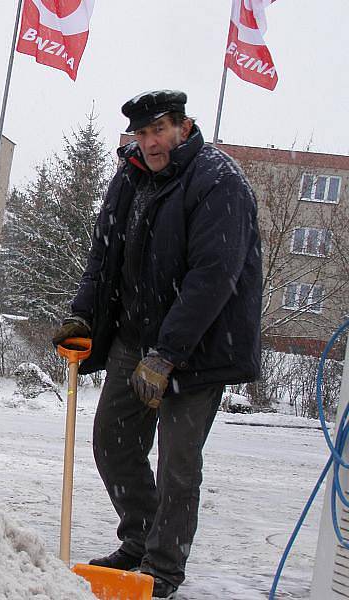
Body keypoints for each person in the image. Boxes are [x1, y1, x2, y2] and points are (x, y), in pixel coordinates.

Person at [52, 90, 261, 598]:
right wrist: (83, 314)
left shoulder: (218, 180)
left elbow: (214, 275)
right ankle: (140, 535)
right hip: (135, 336)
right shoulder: (129, 177)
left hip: (200, 347)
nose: (151, 142)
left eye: (160, 130)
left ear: (184, 128)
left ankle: (162, 567)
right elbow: (102, 257)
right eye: (142, 134)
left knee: (177, 461)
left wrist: (167, 354)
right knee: (113, 441)